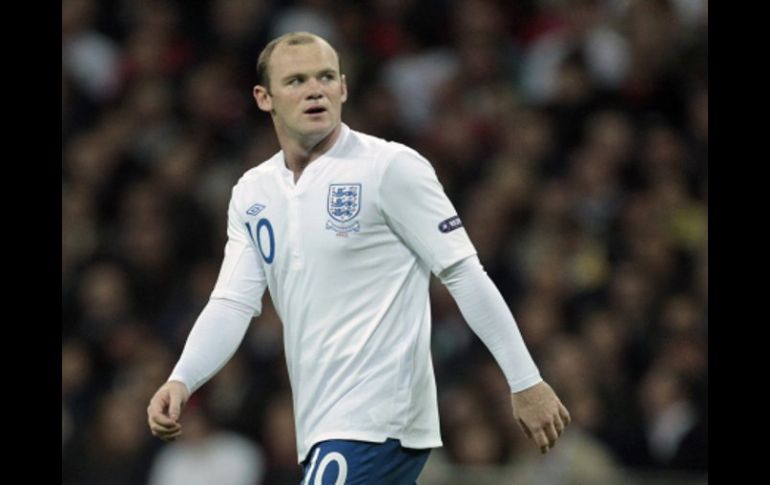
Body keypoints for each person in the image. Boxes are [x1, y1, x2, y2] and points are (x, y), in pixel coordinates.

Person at [147, 31, 571, 484]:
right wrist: (183, 378)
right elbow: (232, 302)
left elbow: (464, 273)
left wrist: (525, 379)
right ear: (263, 98)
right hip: (321, 423)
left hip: (378, 417)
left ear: (343, 88)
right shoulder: (253, 192)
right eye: (296, 81)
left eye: (326, 77)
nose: (315, 90)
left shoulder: (390, 167)